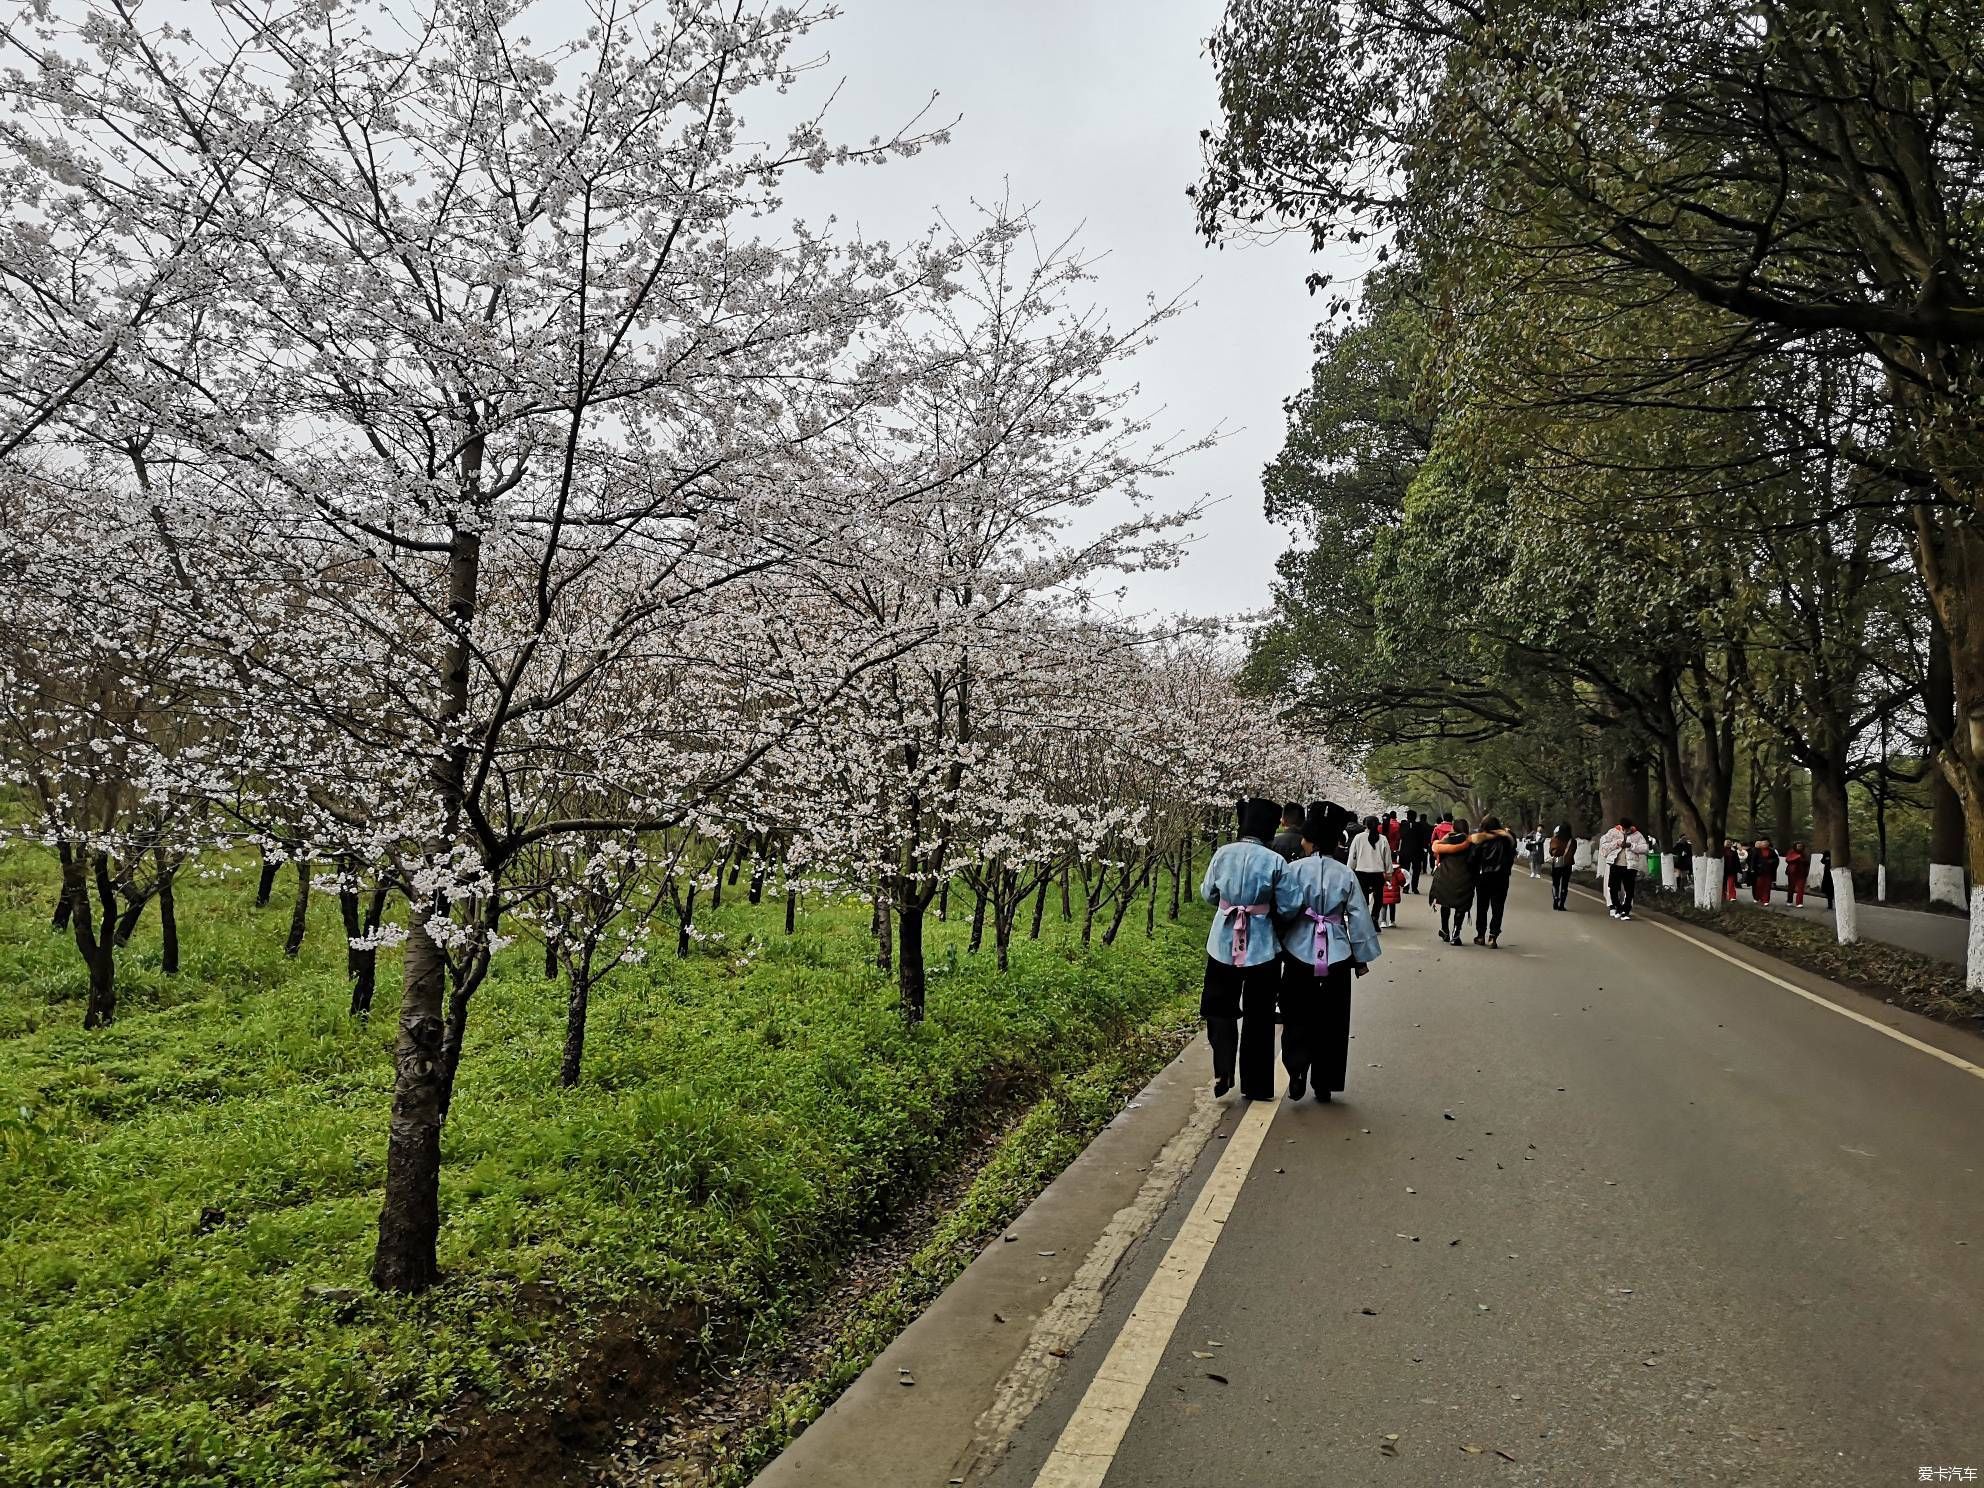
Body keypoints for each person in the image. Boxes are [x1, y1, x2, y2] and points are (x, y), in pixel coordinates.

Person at [1274, 803, 1382, 1102]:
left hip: (1297, 953)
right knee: (1332, 1020)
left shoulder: (1293, 870)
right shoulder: (1345, 874)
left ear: (1308, 840)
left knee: (1296, 1014)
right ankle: (1325, 1082)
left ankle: (1296, 1069)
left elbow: (1283, 910)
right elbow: (1358, 917)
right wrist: (1360, 957)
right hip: (1335, 953)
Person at [1200, 797, 1286, 1099]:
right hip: (1262, 947)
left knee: (1219, 1008)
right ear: (1269, 831)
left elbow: (1208, 893)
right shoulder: (1275, 861)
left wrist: (1229, 906)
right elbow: (1288, 905)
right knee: (1259, 1014)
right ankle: (1257, 1085)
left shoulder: (1223, 853)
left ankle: (1223, 1070)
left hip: (1222, 942)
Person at [1462, 816, 1517, 946]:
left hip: (1483, 877)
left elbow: (1472, 859)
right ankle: (1493, 936)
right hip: (1502, 877)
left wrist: (1472, 874)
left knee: (1482, 906)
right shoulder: (1507, 840)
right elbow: (1512, 852)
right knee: (1498, 907)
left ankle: (1480, 935)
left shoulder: (1480, 839)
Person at [1430, 817, 1477, 944]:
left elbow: (1438, 856)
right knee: (1461, 906)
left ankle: (1445, 930)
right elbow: (1474, 861)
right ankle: (1456, 934)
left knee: (1445, 903)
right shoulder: (1471, 843)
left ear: (1454, 828)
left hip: (1446, 876)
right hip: (1465, 878)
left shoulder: (1446, 841)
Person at [1597, 815, 1650, 920]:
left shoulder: (1637, 835)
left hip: (1630, 867)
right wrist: (1616, 844)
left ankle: (1626, 910)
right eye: (1624, 829)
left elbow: (1645, 848)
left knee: (1629, 890)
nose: (1626, 831)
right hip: (1615, 864)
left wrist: (1631, 846)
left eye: (1628, 829)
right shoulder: (1613, 832)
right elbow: (1603, 847)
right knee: (1613, 888)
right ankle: (1616, 907)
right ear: (1621, 826)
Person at [1347, 815, 1395, 928]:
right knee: (1378, 898)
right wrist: (1389, 872)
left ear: (1365, 824)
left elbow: (1352, 856)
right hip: (1377, 873)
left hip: (1361, 872)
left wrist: (1350, 869)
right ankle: (1374, 917)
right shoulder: (1382, 839)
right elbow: (1387, 857)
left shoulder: (1358, 838)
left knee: (1363, 898)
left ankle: (1364, 920)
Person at [1547, 822, 1578, 910]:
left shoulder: (1554, 839)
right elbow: (1573, 852)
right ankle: (1562, 905)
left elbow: (1551, 852)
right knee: (1564, 884)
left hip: (1557, 861)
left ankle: (1555, 899)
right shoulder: (1572, 841)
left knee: (1555, 882)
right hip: (1568, 863)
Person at [1751, 837, 1779, 905]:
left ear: (1769, 843)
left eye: (1767, 842)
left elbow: (1776, 859)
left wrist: (1771, 862)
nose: (1765, 844)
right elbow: (1753, 860)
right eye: (1764, 842)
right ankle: (1758, 897)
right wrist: (1752, 868)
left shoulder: (1772, 851)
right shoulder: (1757, 851)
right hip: (1759, 871)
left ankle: (1765, 900)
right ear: (1761, 843)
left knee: (1767, 886)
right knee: (1759, 885)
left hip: (1768, 871)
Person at [1784, 841, 1809, 906]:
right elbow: (1787, 860)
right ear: (1795, 846)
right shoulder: (1791, 852)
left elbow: (1807, 862)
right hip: (1792, 872)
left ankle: (1799, 902)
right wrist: (1796, 858)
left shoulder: (1804, 854)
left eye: (1801, 846)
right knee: (1791, 887)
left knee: (1800, 889)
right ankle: (1789, 901)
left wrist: (1802, 860)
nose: (1799, 847)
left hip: (1802, 873)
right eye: (1798, 846)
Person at [1382, 860, 1406, 926]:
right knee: (1392, 906)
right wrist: (1402, 884)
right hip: (1393, 891)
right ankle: (1392, 921)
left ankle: (1383, 921)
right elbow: (1402, 879)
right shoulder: (1397, 870)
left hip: (1384, 890)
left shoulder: (1383, 868)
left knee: (1384, 906)